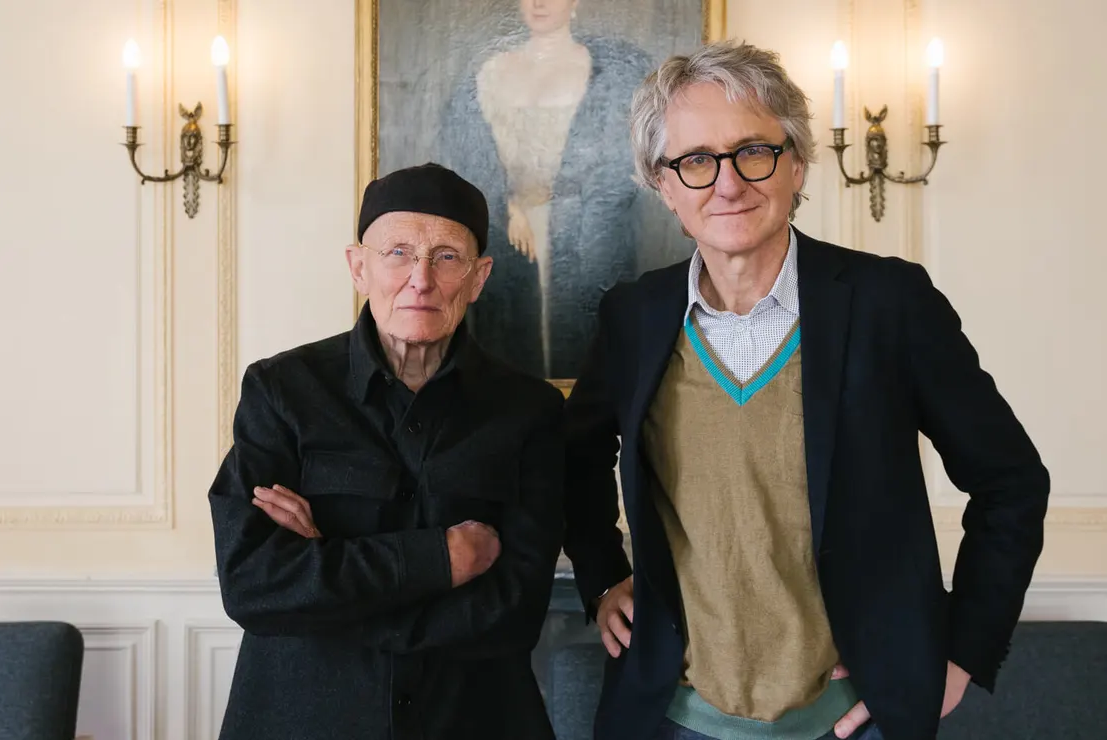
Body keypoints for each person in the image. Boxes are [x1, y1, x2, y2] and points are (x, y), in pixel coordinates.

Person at [562, 41, 1050, 740]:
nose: (728, 183)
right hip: (669, 716)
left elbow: (1011, 481)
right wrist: (603, 576)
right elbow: (572, 461)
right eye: (696, 161)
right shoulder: (632, 318)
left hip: (851, 721)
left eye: (753, 151)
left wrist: (960, 653)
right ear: (663, 185)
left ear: (795, 163)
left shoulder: (888, 303)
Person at [209, 163, 565, 740]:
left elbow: (513, 613)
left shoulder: (530, 412)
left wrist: (326, 577)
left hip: (473, 721)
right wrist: (438, 561)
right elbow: (253, 584)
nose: (420, 279)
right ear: (359, 267)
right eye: (397, 252)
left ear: (478, 278)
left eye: (446, 256)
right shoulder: (281, 391)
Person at [440, 0, 655, 379]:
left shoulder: (605, 72)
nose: (539, 2)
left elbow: (614, 165)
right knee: (510, 330)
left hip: (581, 228)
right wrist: (509, 208)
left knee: (579, 325)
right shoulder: (494, 70)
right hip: (507, 225)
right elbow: (476, 157)